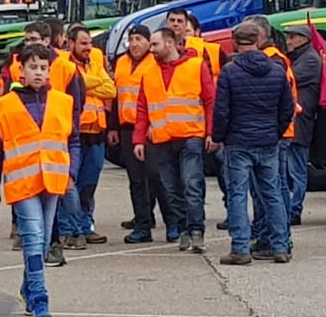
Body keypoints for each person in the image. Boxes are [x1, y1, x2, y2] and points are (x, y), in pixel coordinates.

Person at [0, 44, 79, 317]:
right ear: (21, 70)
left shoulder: (63, 101)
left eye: (43, 68)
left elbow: (73, 140)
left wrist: (70, 172)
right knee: (34, 236)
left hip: (53, 180)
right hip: (22, 182)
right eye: (33, 67)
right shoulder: (3, 106)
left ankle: (27, 289)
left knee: (41, 242)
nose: (38, 72)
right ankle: (40, 298)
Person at [212, 22, 294, 265]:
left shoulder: (230, 71)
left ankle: (240, 248)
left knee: (238, 194)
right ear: (259, 41)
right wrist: (276, 132)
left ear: (236, 42)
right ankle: (280, 246)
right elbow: (287, 108)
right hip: (268, 139)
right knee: (273, 193)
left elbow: (221, 110)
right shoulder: (277, 69)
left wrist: (219, 137)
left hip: (238, 141)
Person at [133, 27, 215, 252]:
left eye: (155, 45)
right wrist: (139, 139)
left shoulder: (196, 66)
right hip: (161, 139)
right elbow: (142, 109)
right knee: (171, 189)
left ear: (170, 44)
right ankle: (184, 228)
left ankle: (196, 229)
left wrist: (211, 133)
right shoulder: (149, 73)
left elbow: (210, 101)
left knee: (191, 184)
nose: (151, 49)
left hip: (190, 135)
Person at [53, 25, 115, 248]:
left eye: (90, 43)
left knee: (89, 185)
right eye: (83, 43)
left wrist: (89, 83)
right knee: (70, 184)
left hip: (96, 133)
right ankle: (69, 229)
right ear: (70, 43)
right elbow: (79, 84)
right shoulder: (64, 66)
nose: (88, 48)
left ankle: (86, 225)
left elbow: (111, 90)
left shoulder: (95, 64)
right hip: (75, 133)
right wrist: (92, 82)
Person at [111, 24, 172, 244]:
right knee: (136, 180)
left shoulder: (155, 63)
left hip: (152, 128)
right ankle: (142, 224)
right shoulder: (121, 63)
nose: (135, 43)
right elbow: (116, 96)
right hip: (128, 128)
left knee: (158, 178)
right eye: (132, 38)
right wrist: (113, 127)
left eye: (140, 39)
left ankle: (172, 223)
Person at [283, 25, 322, 225]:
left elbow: (286, 79)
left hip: (300, 122)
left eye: (291, 37)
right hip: (294, 121)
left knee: (296, 169)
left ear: (303, 39)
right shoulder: (300, 58)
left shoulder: (309, 60)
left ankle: (294, 209)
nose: (288, 41)